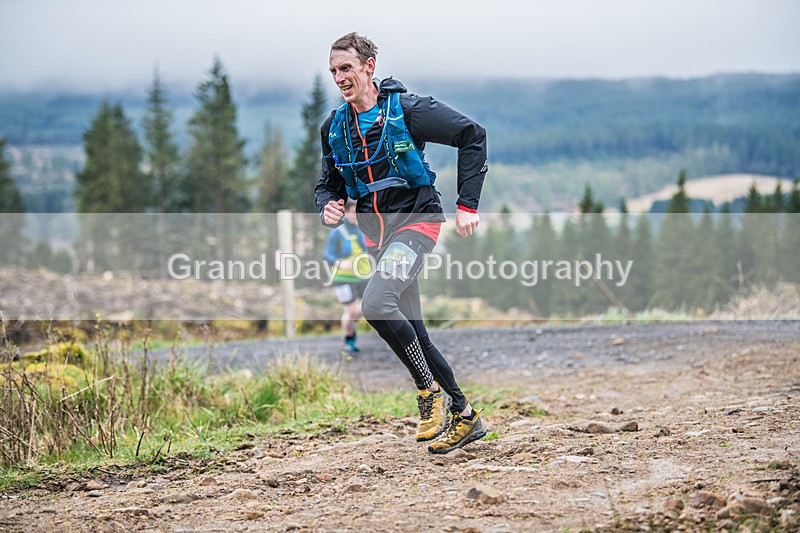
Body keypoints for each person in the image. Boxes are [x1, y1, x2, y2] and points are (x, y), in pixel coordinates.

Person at [315, 32, 489, 454]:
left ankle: (427, 394)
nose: (340, 77)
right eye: (334, 70)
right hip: (379, 235)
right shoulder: (333, 127)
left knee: (374, 305)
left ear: (369, 67)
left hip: (418, 223)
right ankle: (465, 416)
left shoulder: (408, 109)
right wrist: (329, 207)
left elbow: (472, 134)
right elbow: (328, 185)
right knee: (416, 333)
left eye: (347, 68)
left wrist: (468, 205)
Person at [322, 200, 369, 353]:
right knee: (351, 310)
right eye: (354, 211)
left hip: (363, 276)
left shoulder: (364, 229)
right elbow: (328, 254)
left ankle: (351, 330)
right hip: (342, 278)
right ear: (346, 212)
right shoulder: (338, 231)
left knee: (364, 308)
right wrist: (339, 263)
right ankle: (349, 339)